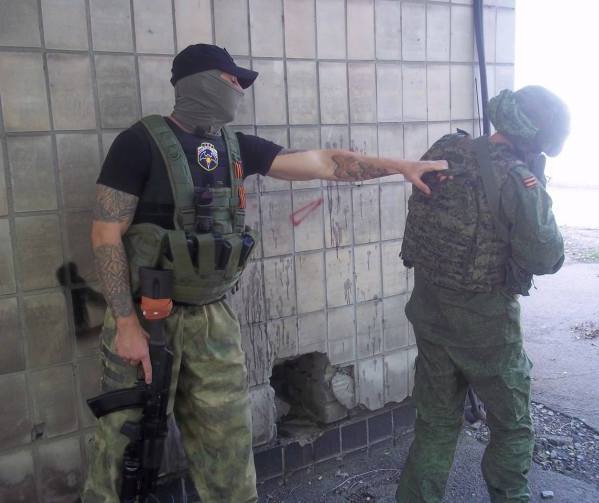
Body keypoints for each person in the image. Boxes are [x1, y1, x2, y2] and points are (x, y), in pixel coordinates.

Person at [81, 43, 446, 502]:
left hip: (212, 319)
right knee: (123, 445)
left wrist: (399, 167)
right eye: (232, 79)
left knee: (229, 445)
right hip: (147, 317)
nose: (238, 90)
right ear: (199, 80)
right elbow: (106, 235)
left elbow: (326, 163)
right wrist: (127, 324)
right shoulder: (139, 143)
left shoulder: (236, 148)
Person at [396, 86, 570, 503]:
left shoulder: (447, 149)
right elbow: (546, 257)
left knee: (436, 422)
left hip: (431, 309)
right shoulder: (518, 180)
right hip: (487, 324)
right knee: (511, 425)